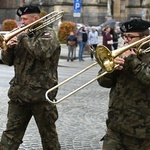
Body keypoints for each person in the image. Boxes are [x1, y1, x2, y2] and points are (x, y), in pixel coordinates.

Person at [0, 5, 61, 150]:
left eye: (25, 19)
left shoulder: (48, 34)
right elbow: (7, 61)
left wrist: (22, 37)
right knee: (10, 135)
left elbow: (41, 52)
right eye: (21, 19)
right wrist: (9, 47)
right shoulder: (23, 35)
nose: (22, 22)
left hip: (41, 96)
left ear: (36, 18)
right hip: (19, 95)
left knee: (48, 137)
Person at [97, 19, 150, 149]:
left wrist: (132, 60)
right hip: (115, 126)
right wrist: (110, 69)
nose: (126, 40)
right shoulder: (122, 52)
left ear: (145, 37)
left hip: (141, 132)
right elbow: (102, 82)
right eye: (124, 36)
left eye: (131, 37)